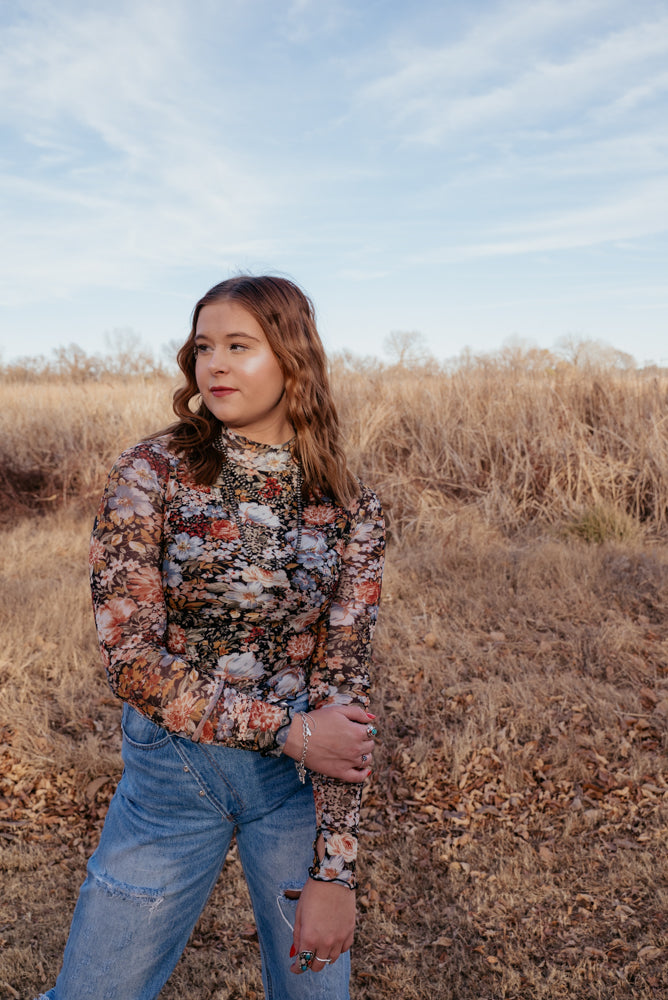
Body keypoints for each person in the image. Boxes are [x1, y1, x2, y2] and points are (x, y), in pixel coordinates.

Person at [37, 275, 385, 1000]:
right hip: (173, 779)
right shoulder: (153, 472)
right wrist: (290, 731)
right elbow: (132, 661)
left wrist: (333, 872)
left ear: (293, 359)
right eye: (203, 348)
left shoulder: (349, 503)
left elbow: (344, 694)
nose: (215, 365)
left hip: (292, 795)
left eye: (238, 345)